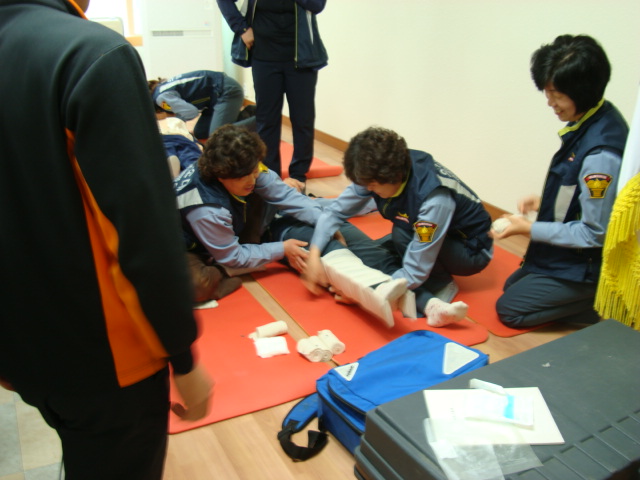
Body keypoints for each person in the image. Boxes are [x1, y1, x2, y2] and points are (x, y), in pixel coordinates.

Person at [0, 1, 213, 479]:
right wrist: (183, 357)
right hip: (105, 361)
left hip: (20, 346)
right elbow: (141, 228)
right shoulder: (89, 53)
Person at [175, 124, 409, 326]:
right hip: (194, 245)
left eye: (254, 171)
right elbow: (233, 255)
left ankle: (369, 218)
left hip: (255, 222)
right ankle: (223, 269)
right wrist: (282, 250)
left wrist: (324, 223)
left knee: (324, 217)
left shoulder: (249, 169)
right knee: (195, 284)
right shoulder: (208, 209)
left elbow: (287, 197)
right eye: (242, 177)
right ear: (220, 175)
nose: (251, 179)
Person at [491, 34, 629, 328]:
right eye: (547, 92)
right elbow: (586, 197)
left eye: (556, 94)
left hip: (587, 263)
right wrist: (542, 203)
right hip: (569, 254)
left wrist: (528, 228)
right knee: (512, 287)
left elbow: (594, 232)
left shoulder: (600, 155)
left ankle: (599, 302)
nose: (550, 102)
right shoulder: (595, 117)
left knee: (510, 311)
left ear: (582, 91)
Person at [304, 127, 494, 327]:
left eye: (372, 186)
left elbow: (415, 271)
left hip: (471, 249)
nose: (367, 189)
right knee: (382, 248)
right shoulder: (377, 171)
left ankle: (440, 283)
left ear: (391, 177)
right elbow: (334, 213)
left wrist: (364, 294)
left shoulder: (433, 200)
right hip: (441, 232)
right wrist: (314, 254)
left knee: (401, 234)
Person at [217, 0, 329, 193]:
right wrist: (242, 29)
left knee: (303, 120)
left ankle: (298, 177)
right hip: (264, 56)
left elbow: (317, 5)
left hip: (301, 57)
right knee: (267, 120)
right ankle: (270, 178)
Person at [149, 70, 256, 141]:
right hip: (214, 98)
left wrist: (176, 121)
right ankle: (249, 112)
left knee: (218, 135)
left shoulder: (160, 99)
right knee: (200, 132)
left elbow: (191, 112)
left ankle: (261, 119)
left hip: (226, 91)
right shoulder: (160, 90)